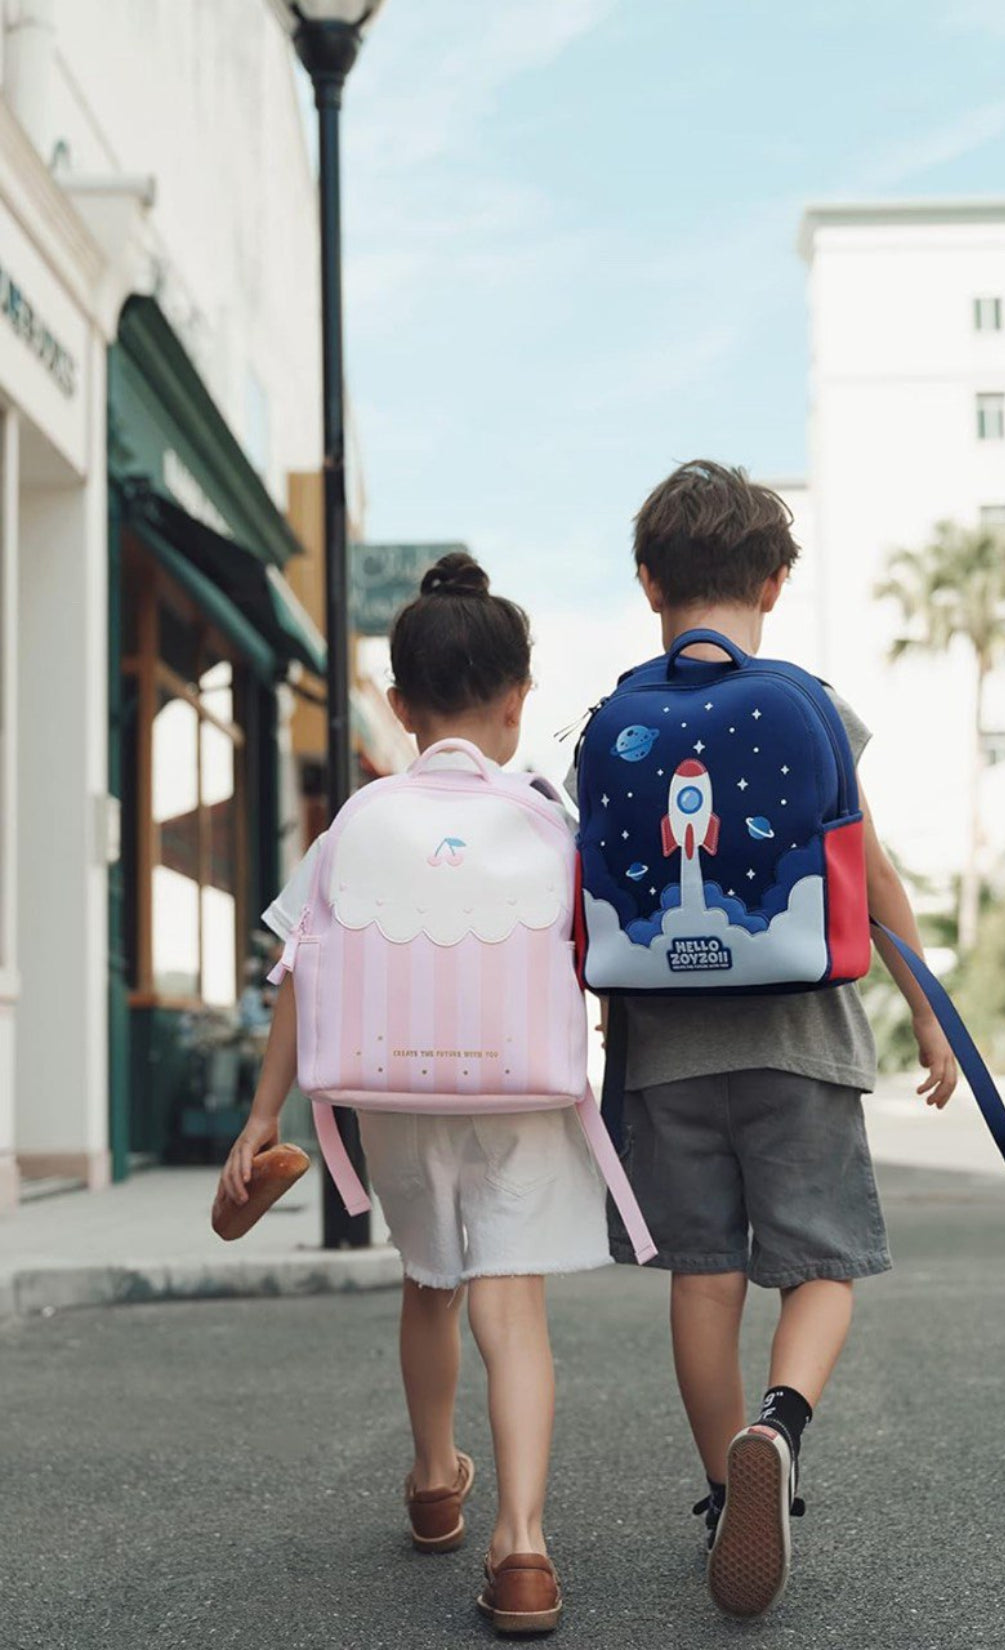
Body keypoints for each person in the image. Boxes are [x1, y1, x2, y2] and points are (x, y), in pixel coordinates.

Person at [587, 461, 958, 1620]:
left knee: (704, 1283)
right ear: (778, 583)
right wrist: (930, 1009)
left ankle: (721, 1490)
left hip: (662, 1051)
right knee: (824, 1267)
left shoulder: (614, 721)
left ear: (649, 584)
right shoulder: (814, 704)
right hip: (804, 1040)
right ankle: (779, 1426)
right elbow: (873, 872)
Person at [220, 551, 609, 1637]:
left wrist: (263, 1116)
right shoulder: (547, 817)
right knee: (510, 1301)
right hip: (519, 1092)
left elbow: (299, 967)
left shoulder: (360, 821)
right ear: (518, 701)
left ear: (397, 703)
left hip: (393, 1093)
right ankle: (523, 1547)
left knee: (430, 1279)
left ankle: (438, 1477)